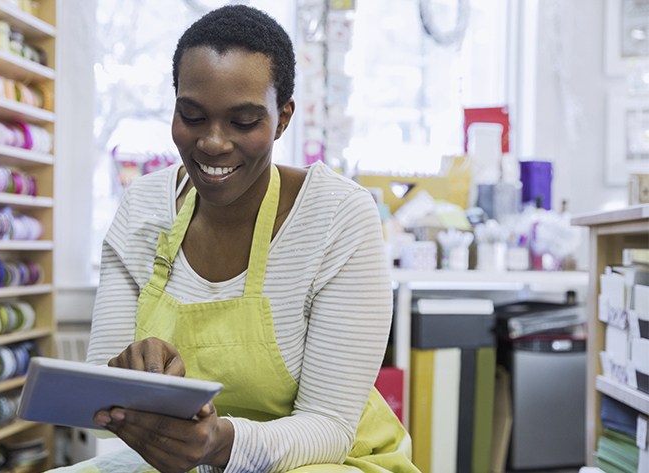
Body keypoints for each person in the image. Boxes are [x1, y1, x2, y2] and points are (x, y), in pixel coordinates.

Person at [51, 5, 418, 473]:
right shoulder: (143, 209)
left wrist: (220, 444)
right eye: (192, 116)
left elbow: (328, 425)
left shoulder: (337, 217)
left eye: (243, 122)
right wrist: (129, 374)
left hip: (324, 457)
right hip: (191, 460)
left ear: (282, 119)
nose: (213, 143)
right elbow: (103, 411)